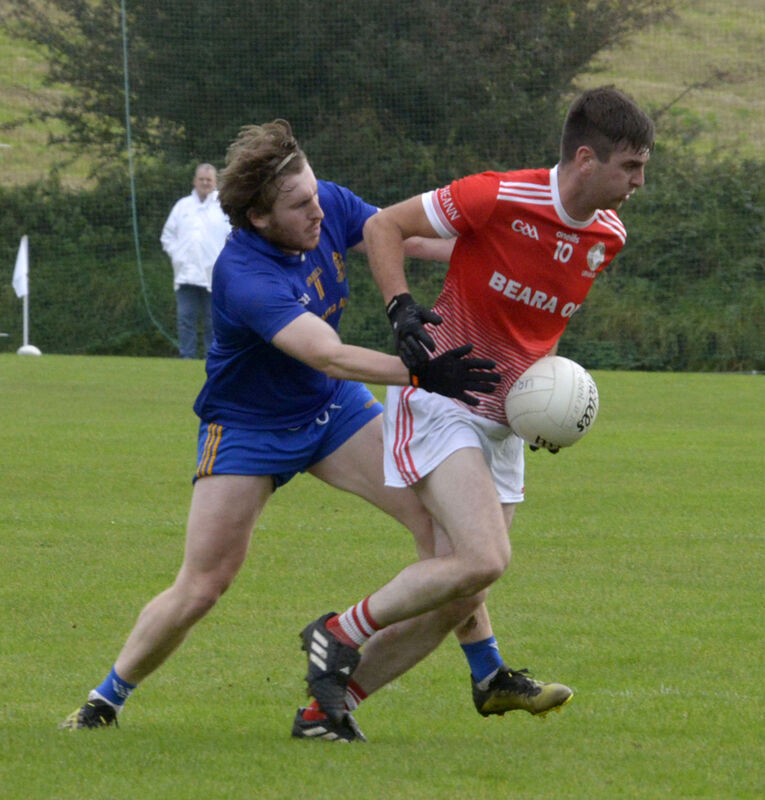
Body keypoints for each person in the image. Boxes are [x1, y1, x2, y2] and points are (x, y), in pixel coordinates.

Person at [59, 120, 505, 739]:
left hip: (332, 411)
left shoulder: (328, 204)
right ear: (259, 218)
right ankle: (105, 701)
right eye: (299, 205)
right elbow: (328, 353)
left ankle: (488, 673)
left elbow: (414, 239)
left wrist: (510, 259)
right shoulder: (243, 274)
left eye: (315, 194)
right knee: (203, 585)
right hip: (250, 429)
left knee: (447, 535)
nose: (318, 211)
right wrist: (423, 373)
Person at [300, 86, 654, 734]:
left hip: (503, 422)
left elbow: (539, 325)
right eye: (630, 166)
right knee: (485, 558)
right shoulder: (498, 195)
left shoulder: (608, 236)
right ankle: (337, 631)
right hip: (441, 396)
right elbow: (384, 227)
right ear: (585, 159)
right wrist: (400, 309)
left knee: (460, 591)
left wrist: (543, 409)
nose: (638, 181)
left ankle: (328, 713)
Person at [160, 163, 231, 359]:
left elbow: (233, 237)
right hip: (186, 276)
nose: (205, 183)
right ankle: (187, 357)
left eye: (209, 180)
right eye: (202, 179)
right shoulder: (182, 206)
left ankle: (213, 358)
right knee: (185, 319)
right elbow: (167, 236)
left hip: (214, 276)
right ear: (195, 181)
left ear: (215, 182)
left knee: (212, 321)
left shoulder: (223, 206)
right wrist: (178, 256)